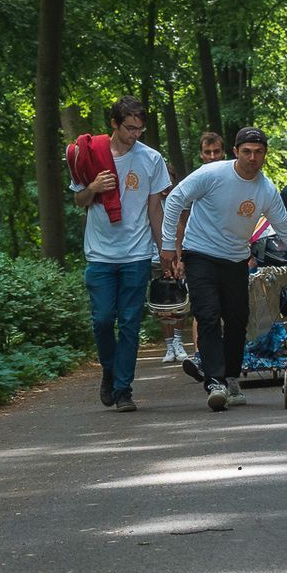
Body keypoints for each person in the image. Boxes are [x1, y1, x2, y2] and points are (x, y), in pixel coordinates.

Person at [162, 127, 287, 411]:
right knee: (208, 315)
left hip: (235, 260)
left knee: (237, 319)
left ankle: (231, 377)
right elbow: (175, 199)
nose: (252, 158)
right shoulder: (212, 174)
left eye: (258, 152)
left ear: (265, 155)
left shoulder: (266, 190)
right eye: (246, 152)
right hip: (200, 254)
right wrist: (169, 245)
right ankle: (215, 382)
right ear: (235, 152)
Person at [71, 97, 172, 412]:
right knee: (102, 320)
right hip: (99, 254)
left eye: (140, 129)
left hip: (136, 253)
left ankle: (123, 390)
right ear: (114, 124)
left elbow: (155, 208)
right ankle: (110, 370)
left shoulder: (151, 159)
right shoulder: (90, 154)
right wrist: (93, 187)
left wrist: (165, 249)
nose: (135, 135)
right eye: (129, 128)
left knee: (129, 322)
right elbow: (79, 200)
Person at [161, 131, 229, 363]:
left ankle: (229, 355)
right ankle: (202, 356)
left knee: (230, 308)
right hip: (199, 252)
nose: (212, 156)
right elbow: (181, 220)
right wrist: (178, 256)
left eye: (216, 151)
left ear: (224, 152)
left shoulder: (236, 178)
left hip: (229, 252)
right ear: (201, 154)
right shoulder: (194, 181)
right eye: (207, 152)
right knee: (203, 307)